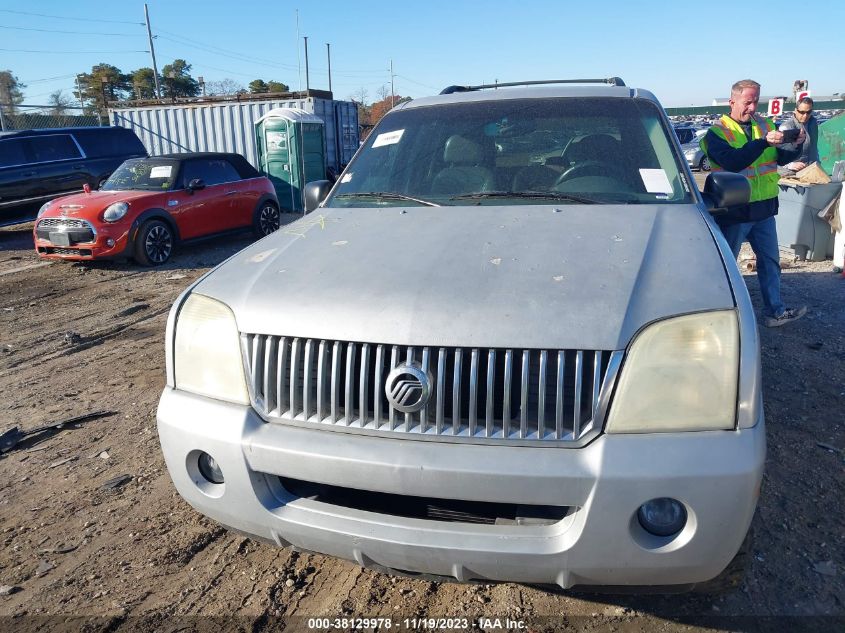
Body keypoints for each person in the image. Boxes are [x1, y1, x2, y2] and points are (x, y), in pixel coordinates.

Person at [700, 79, 808, 327]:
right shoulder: (717, 132)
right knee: (726, 267)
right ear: (732, 102)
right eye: (747, 101)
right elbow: (734, 162)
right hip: (735, 211)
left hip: (763, 209)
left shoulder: (765, 124)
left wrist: (795, 145)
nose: (751, 107)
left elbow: (780, 158)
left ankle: (775, 312)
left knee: (770, 263)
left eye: (755, 101)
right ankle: (717, 315)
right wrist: (763, 142)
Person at [777, 97, 820, 175]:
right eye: (802, 112)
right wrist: (790, 165)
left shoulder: (813, 123)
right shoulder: (787, 127)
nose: (805, 115)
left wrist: (817, 161)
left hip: (811, 171)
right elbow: (779, 154)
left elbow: (814, 147)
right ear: (795, 110)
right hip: (791, 174)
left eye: (808, 112)